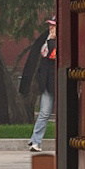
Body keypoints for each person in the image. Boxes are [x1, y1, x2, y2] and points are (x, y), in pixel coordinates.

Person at [28, 16, 57, 153]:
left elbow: (53, 55)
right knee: (44, 113)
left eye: (53, 26)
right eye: (50, 25)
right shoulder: (47, 40)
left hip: (57, 82)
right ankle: (35, 140)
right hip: (47, 83)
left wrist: (52, 40)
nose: (51, 28)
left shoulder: (54, 42)